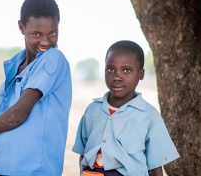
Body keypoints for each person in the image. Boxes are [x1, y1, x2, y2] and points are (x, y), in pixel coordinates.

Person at [0, 0, 72, 176]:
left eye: (52, 33)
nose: (46, 41)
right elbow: (29, 113)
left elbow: (19, 113)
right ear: (21, 27)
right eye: (36, 34)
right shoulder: (16, 64)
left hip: (31, 171)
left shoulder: (53, 58)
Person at [72, 40, 179, 176]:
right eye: (110, 69)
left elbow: (155, 167)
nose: (117, 77)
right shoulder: (92, 110)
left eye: (126, 70)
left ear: (141, 74)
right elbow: (83, 153)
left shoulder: (149, 116)